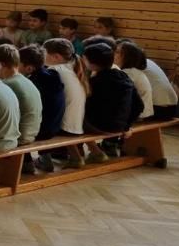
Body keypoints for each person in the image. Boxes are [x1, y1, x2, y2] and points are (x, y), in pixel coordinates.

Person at [82, 42, 143, 164]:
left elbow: (85, 108)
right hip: (120, 126)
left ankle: (83, 154)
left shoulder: (95, 82)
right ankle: (103, 149)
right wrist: (127, 126)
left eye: (84, 59)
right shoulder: (123, 76)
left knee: (70, 119)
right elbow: (139, 105)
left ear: (92, 64)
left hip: (101, 126)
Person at [0, 44, 42, 172]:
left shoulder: (7, 84)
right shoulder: (25, 80)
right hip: (32, 132)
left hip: (20, 136)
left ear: (1, 64)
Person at [42, 38, 89, 170]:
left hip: (65, 127)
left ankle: (42, 159)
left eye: (44, 53)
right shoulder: (72, 67)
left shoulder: (55, 70)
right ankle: (74, 157)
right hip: (77, 125)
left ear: (56, 57)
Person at [18, 45, 65, 150]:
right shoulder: (52, 74)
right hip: (54, 127)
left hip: (42, 130)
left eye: (17, 64)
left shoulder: (34, 82)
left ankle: (26, 159)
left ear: (29, 68)